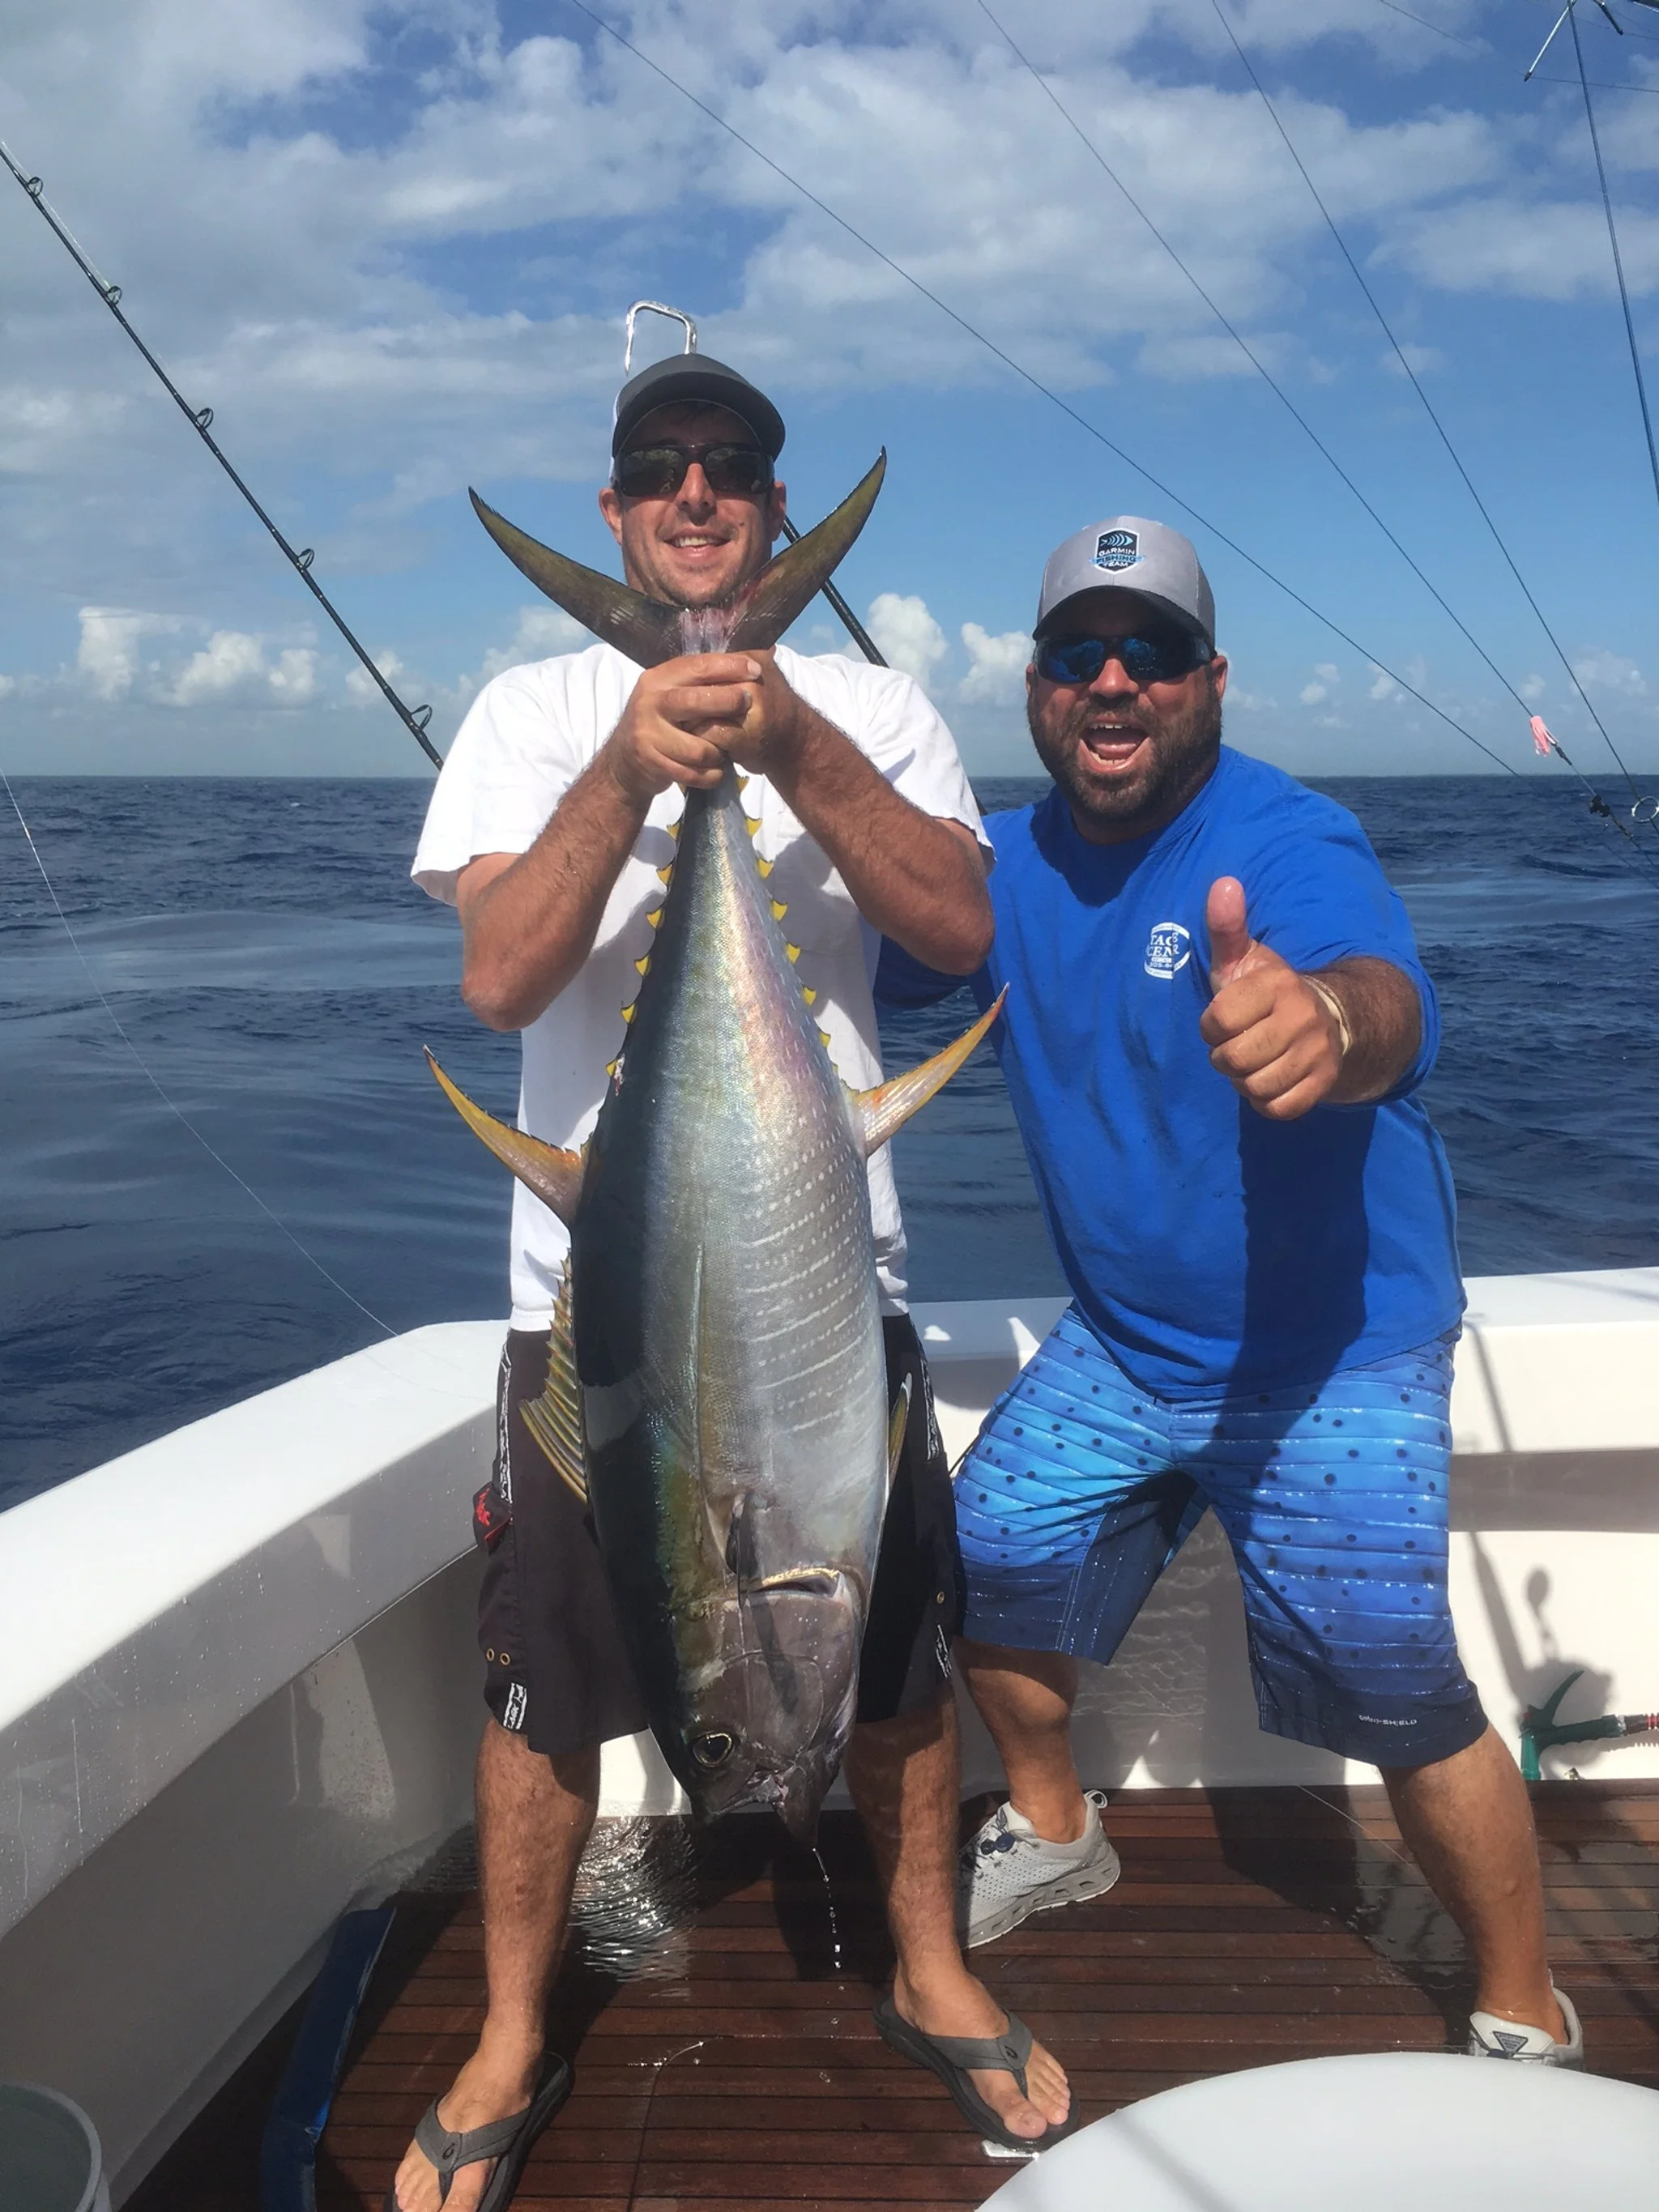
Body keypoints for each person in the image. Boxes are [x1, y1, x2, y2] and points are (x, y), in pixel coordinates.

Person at [394, 352, 1069, 2212]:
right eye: (658, 471)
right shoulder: (535, 709)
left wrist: (783, 744)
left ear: (773, 513)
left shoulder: (868, 699)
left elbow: (951, 921)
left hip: (822, 1287)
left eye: (731, 470)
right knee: (541, 1683)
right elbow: (502, 980)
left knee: (904, 1654)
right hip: (588, 1305)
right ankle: (516, 2029)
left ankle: (932, 1966)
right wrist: (632, 764)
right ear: (613, 511)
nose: (695, 495)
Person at [877, 515, 1581, 2067]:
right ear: (1036, 683)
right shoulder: (994, 866)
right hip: (1128, 1345)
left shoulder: (1292, 837)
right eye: (1079, 653)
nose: (1113, 681)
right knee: (971, 1566)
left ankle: (1526, 1998)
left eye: (1152, 652)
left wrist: (1328, 1016)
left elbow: (1391, 1002)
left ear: (1212, 678)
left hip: (1333, 1350)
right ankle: (1058, 1828)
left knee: (1396, 1682)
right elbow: (844, 978)